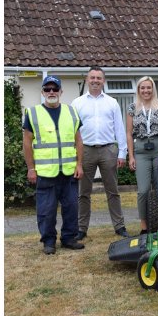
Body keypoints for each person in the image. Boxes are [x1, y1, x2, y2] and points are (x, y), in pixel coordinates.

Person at [22, 75, 85, 254]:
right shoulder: (32, 113)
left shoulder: (71, 112)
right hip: (45, 173)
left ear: (61, 92)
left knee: (71, 207)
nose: (51, 92)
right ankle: (48, 241)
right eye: (47, 89)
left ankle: (69, 238)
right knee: (46, 210)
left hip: (68, 171)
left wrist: (79, 165)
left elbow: (78, 141)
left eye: (54, 89)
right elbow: (27, 143)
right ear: (42, 92)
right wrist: (31, 168)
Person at [71, 67, 128, 238]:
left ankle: (119, 226)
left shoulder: (112, 102)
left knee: (113, 191)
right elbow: (73, 131)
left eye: (99, 78)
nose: (95, 80)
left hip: (108, 149)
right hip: (85, 150)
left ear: (104, 81)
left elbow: (119, 127)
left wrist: (122, 153)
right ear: (87, 80)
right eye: (92, 77)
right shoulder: (77, 103)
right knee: (83, 192)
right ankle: (81, 228)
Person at [126, 77, 158, 235]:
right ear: (138, 90)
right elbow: (128, 134)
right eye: (142, 88)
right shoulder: (132, 108)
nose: (146, 91)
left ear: (153, 89)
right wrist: (131, 156)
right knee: (143, 190)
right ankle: (144, 226)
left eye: (149, 88)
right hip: (141, 149)